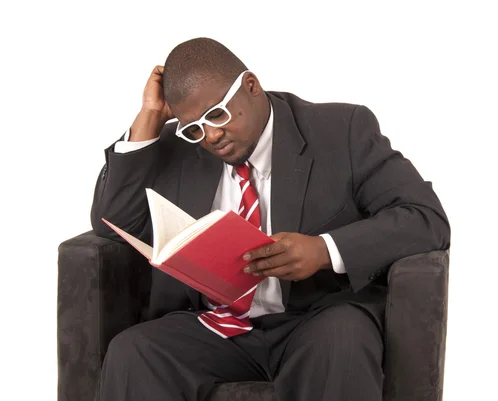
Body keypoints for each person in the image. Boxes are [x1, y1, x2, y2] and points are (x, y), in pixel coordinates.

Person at [91, 37, 450, 401]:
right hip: (214, 326)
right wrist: (148, 118)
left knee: (343, 338)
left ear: (251, 86)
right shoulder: (180, 144)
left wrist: (323, 251)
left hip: (315, 318)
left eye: (217, 114)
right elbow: (113, 222)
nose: (211, 135)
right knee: (132, 352)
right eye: (195, 128)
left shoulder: (342, 129)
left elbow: (424, 218)